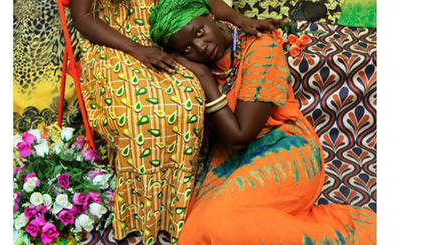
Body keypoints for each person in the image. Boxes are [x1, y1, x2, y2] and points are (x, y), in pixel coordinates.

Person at [149, 0, 377, 244]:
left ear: (211, 17)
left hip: (285, 147)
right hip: (231, 158)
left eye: (199, 32)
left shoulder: (260, 47)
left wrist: (205, 78)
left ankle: (345, 233)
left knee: (220, 224)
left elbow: (240, 135)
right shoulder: (202, 62)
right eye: (186, 49)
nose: (201, 48)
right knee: (197, 231)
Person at [69, 0, 287, 244]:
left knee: (185, 102)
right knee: (139, 112)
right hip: (114, 42)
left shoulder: (201, 38)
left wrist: (238, 18)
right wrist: (136, 50)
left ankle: (178, 207)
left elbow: (202, 3)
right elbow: (83, 18)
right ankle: (140, 209)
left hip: (169, 37)